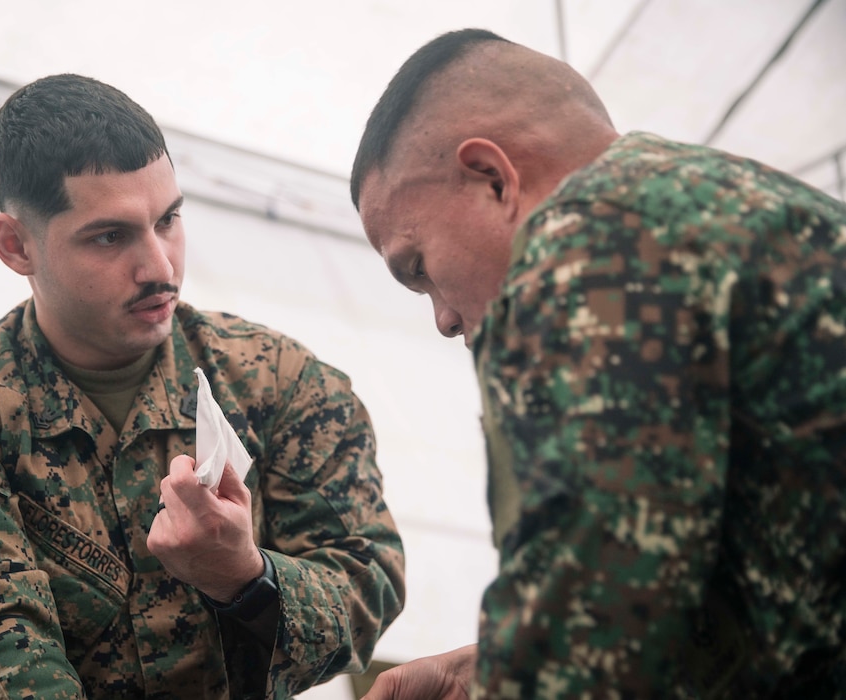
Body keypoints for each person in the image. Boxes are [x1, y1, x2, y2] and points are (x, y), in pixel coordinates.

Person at [0, 73, 405, 699]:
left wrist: (246, 579)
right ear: (16, 245)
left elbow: (368, 581)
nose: (160, 267)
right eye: (110, 237)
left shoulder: (280, 384)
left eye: (168, 219)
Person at [351, 28, 846, 699]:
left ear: (493, 179)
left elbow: (588, 657)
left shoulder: (585, 258)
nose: (441, 318)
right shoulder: (767, 213)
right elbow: (728, 585)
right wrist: (486, 669)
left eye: (419, 268)